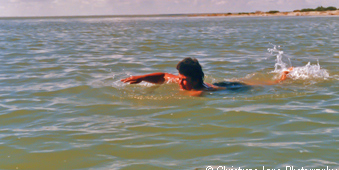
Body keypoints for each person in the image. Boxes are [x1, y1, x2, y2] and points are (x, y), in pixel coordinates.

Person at [121, 58, 293, 95]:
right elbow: (164, 75)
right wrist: (142, 77)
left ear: (195, 80)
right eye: (180, 78)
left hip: (231, 89)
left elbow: (190, 95)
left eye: (184, 79)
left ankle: (284, 75)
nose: (180, 82)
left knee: (275, 84)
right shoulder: (187, 81)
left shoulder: (196, 92)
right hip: (217, 84)